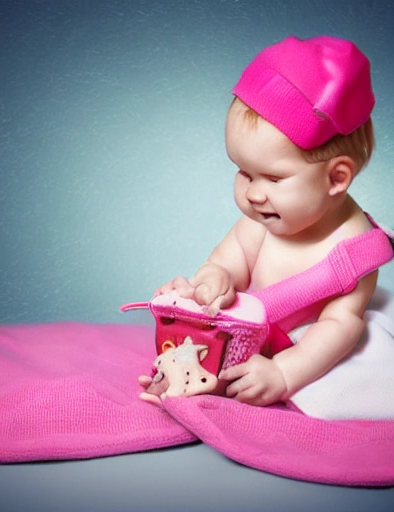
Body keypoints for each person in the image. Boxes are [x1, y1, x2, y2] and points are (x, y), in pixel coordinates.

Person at [147, 35, 394, 419]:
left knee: (353, 376)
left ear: (336, 178)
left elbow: (338, 325)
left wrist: (284, 372)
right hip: (256, 334)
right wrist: (214, 280)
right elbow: (226, 261)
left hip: (314, 350)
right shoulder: (262, 221)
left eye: (273, 179)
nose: (254, 194)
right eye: (243, 172)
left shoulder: (353, 246)